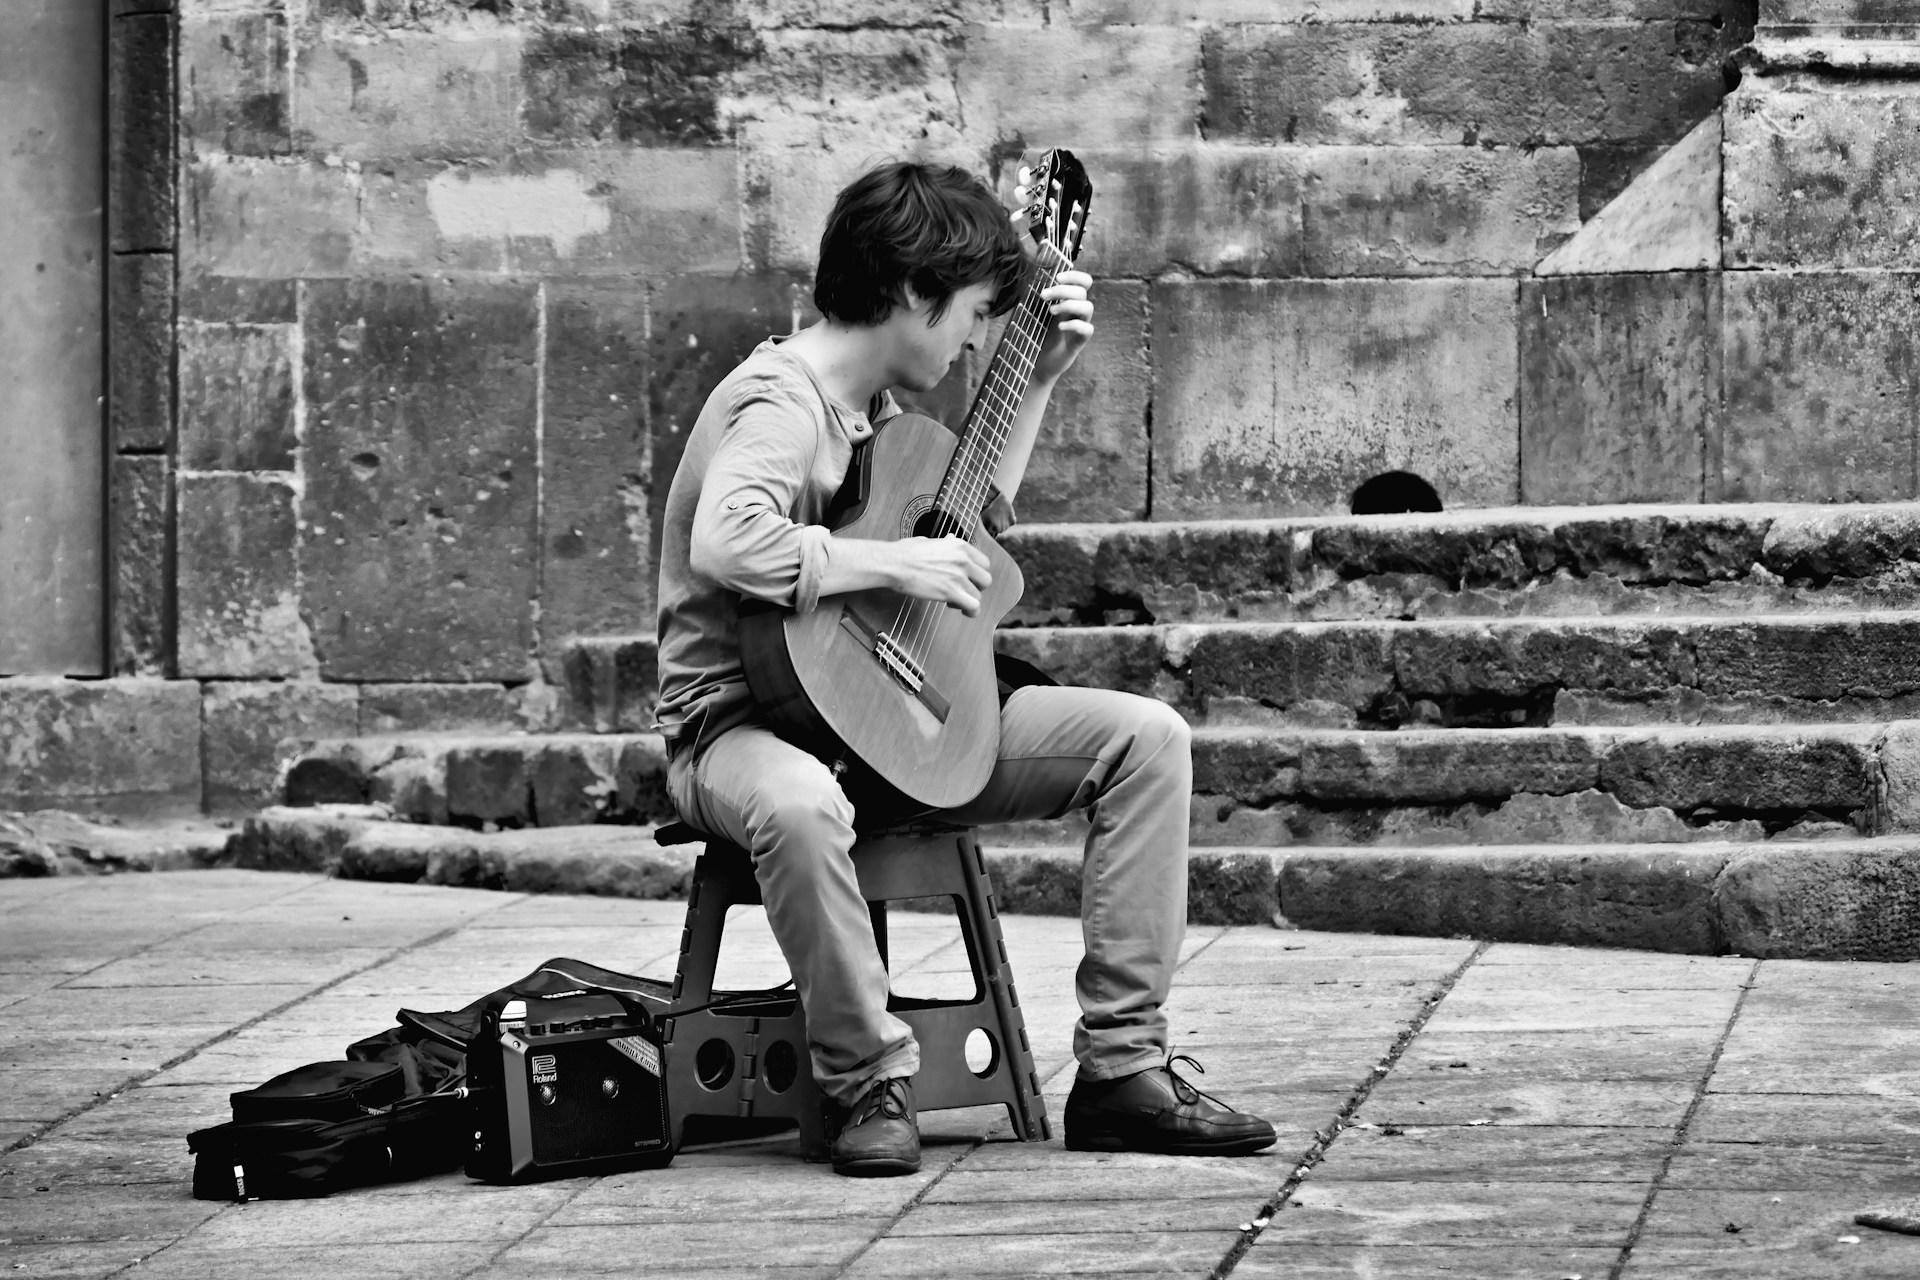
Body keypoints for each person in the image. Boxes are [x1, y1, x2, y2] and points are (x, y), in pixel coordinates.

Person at [653, 159, 1276, 1176]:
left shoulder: (889, 419)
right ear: (910, 293)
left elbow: (968, 532)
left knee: (1146, 738)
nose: (978, 337)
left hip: (883, 711)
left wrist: (1037, 377)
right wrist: (891, 560)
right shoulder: (779, 401)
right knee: (803, 803)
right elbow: (730, 544)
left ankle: (1123, 1068)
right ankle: (866, 1081)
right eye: (976, 314)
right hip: (739, 724)